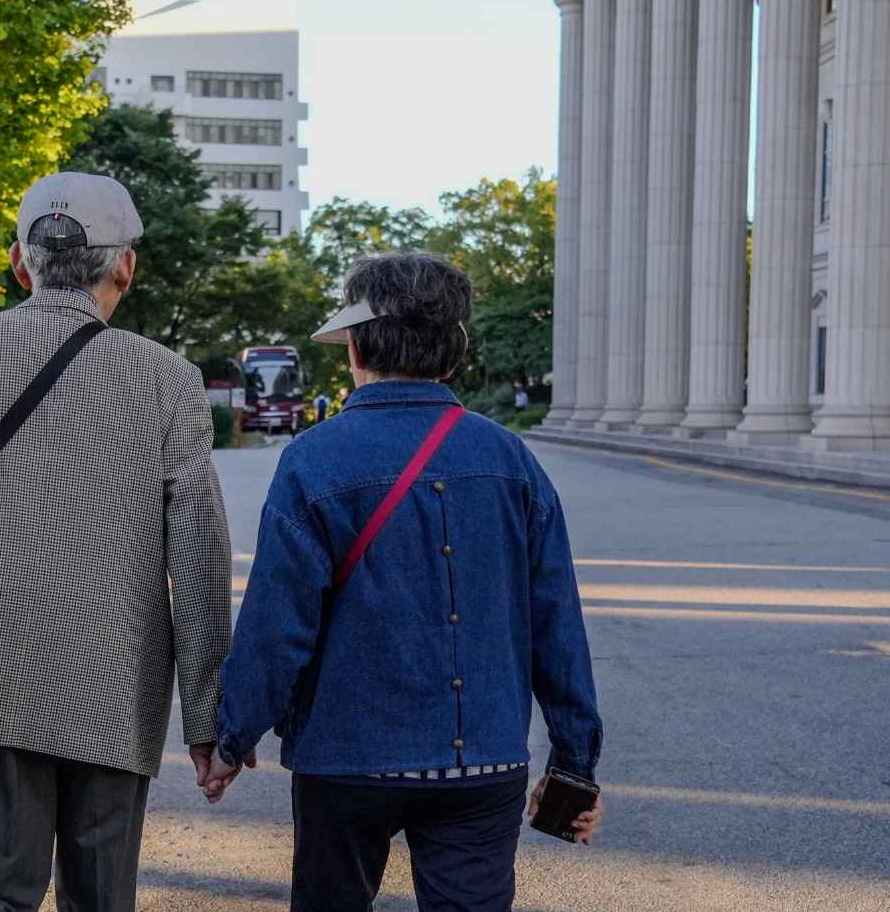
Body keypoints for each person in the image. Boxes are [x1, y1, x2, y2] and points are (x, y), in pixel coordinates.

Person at [0, 172, 233, 912]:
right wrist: (207, 718)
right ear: (124, 267)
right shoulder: (172, 381)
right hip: (115, 690)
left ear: (19, 260)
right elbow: (197, 560)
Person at [205, 251, 604, 912]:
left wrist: (232, 737)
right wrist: (575, 762)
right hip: (482, 756)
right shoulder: (512, 460)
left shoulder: (313, 460)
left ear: (356, 346)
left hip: (345, 756)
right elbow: (555, 623)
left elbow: (278, 626)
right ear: (454, 353)